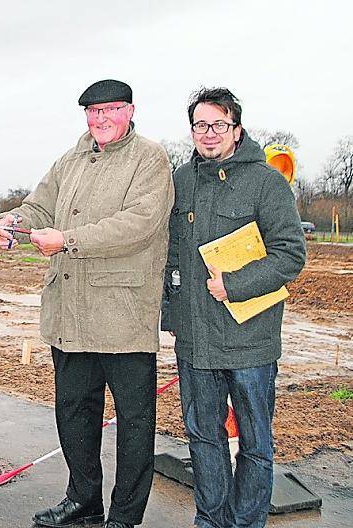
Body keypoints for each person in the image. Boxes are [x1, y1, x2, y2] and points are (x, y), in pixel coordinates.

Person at [0, 79, 174, 528]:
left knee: (134, 424)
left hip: (123, 316)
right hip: (69, 315)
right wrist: (13, 219)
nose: (100, 119)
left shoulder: (150, 159)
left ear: (130, 111)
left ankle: (124, 516)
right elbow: (40, 206)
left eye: (110, 109)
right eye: (92, 112)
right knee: (75, 413)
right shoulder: (71, 158)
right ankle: (83, 500)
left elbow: (139, 224)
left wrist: (67, 241)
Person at [162, 87, 305, 528]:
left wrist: (236, 285)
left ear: (236, 129)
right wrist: (174, 317)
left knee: (255, 443)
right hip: (197, 343)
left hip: (250, 341)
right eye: (200, 125)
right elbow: (172, 255)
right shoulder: (181, 181)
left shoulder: (266, 183)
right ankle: (210, 520)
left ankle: (246, 523)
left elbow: (290, 253)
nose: (208, 134)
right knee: (204, 438)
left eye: (218, 125)